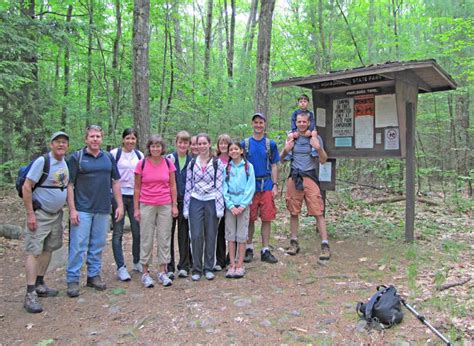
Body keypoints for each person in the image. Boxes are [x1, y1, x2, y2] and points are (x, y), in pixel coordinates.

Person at [66, 125, 124, 298]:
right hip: (82, 208)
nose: (95, 139)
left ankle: (93, 275)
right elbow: (70, 185)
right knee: (78, 245)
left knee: (98, 244)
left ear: (102, 138)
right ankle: (73, 279)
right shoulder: (76, 158)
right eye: (92, 136)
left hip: (103, 208)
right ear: (86, 139)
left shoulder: (108, 158)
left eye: (98, 136)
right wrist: (72, 210)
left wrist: (119, 205)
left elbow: (115, 182)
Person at [22, 131, 70, 313]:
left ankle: (40, 282)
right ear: (51, 144)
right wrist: (30, 214)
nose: (61, 145)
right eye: (58, 142)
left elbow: (67, 187)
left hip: (56, 214)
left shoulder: (65, 163)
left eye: (64, 142)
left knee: (48, 249)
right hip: (40, 213)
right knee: (34, 251)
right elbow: (27, 187)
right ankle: (30, 292)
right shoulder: (42, 161)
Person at [280, 112, 331, 261]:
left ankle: (325, 244)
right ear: (295, 122)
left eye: (304, 122)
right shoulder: (291, 138)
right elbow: (282, 159)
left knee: (318, 211)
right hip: (294, 176)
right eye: (299, 121)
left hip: (309, 176)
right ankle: (294, 243)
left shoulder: (314, 138)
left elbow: (323, 160)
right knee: (293, 211)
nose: (302, 124)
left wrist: (318, 148)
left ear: (309, 123)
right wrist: (286, 150)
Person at [134, 135, 178, 288]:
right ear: (149, 148)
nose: (155, 149)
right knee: (146, 237)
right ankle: (145, 272)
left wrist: (174, 205)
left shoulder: (168, 163)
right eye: (153, 146)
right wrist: (136, 209)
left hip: (165, 203)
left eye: (158, 146)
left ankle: (162, 271)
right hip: (146, 204)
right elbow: (137, 187)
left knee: (164, 237)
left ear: (162, 148)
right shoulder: (142, 164)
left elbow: (172, 185)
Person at [183, 133, 224, 281]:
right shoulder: (192, 163)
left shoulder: (217, 163)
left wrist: (219, 207)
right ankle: (196, 268)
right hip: (196, 200)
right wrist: (186, 208)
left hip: (211, 199)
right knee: (196, 235)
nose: (201, 146)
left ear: (209, 144)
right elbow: (189, 186)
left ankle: (208, 267)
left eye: (204, 143)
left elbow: (219, 185)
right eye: (199, 144)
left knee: (211, 234)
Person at [241, 113, 280, 264]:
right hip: (250, 186)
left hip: (267, 185)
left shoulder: (270, 144)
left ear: (265, 124)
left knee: (267, 218)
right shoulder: (245, 144)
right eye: (256, 122)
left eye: (261, 123)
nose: (258, 125)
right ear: (252, 124)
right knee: (249, 218)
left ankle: (265, 249)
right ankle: (249, 248)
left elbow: (274, 165)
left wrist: (275, 185)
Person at [110, 128, 144, 281]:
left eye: (133, 138)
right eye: (128, 138)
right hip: (118, 196)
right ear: (123, 139)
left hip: (135, 196)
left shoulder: (139, 155)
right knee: (118, 232)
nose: (130, 141)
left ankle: (137, 261)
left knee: (137, 231)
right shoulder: (114, 154)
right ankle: (121, 266)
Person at [223, 140, 255, 279]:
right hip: (230, 206)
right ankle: (231, 264)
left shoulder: (248, 167)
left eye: (236, 149)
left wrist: (243, 205)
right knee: (230, 236)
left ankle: (240, 264)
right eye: (231, 149)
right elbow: (223, 187)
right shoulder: (227, 168)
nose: (234, 151)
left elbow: (250, 187)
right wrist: (230, 205)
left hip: (243, 205)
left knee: (242, 236)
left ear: (241, 151)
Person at [166, 131, 193, 279]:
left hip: (186, 202)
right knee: (168, 234)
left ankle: (184, 265)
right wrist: (171, 202)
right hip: (169, 202)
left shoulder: (192, 161)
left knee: (184, 234)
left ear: (189, 145)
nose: (182, 145)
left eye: (185, 143)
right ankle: (168, 266)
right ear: (176, 143)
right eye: (180, 142)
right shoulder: (169, 159)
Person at [215, 133, 231, 271]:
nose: (223, 146)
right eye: (221, 143)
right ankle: (219, 259)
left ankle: (231, 257)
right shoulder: (214, 161)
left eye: (226, 143)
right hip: (218, 199)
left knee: (231, 229)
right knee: (219, 230)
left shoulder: (234, 160)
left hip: (232, 199)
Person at [285, 94, 317, 160]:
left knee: (314, 134)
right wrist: (294, 131)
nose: (303, 103)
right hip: (297, 130)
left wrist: (310, 130)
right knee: (290, 136)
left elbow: (312, 122)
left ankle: (314, 150)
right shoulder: (295, 113)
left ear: (308, 103)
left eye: (305, 101)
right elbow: (293, 122)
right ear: (298, 103)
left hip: (308, 130)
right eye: (301, 101)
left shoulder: (310, 114)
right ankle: (289, 153)